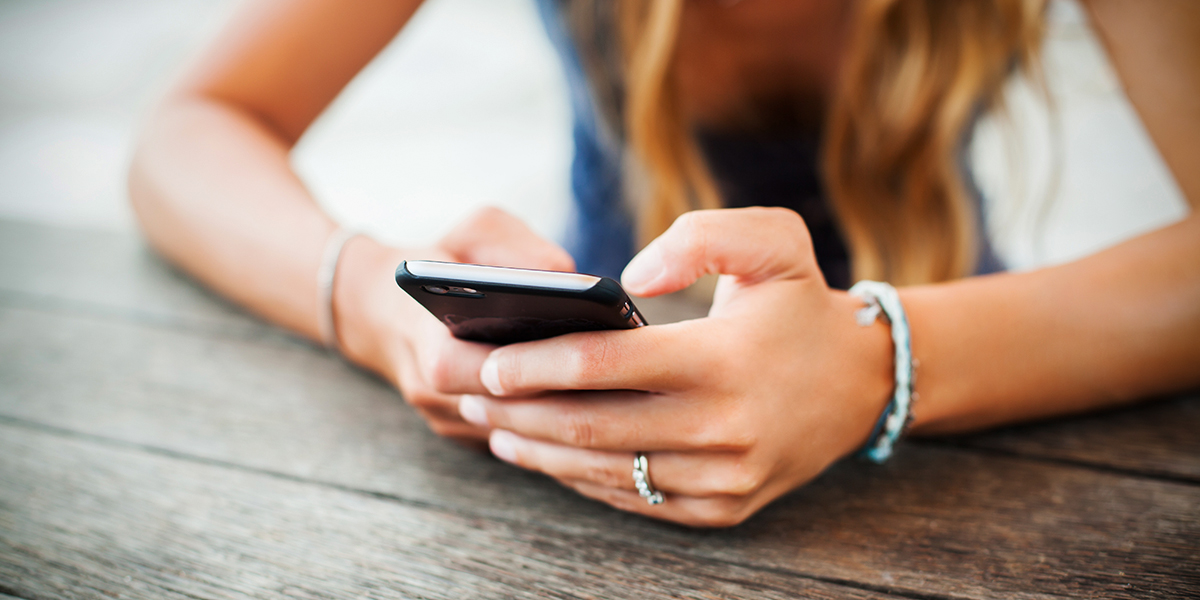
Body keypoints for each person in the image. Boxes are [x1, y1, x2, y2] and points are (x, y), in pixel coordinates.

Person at [128, 0, 1199, 527]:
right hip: (567, 456)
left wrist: (875, 364)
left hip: (992, 420)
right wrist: (378, 307)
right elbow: (188, 132)